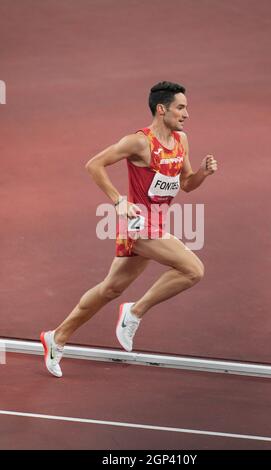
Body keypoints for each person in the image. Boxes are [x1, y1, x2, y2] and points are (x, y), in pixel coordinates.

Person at [40, 81, 218, 377]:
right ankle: (134, 312)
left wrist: (203, 173)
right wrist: (118, 201)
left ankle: (56, 337)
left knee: (110, 289)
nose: (186, 114)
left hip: (157, 221)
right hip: (136, 223)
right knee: (193, 269)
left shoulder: (181, 141)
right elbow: (94, 165)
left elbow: (186, 185)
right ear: (162, 109)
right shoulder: (139, 142)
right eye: (181, 107)